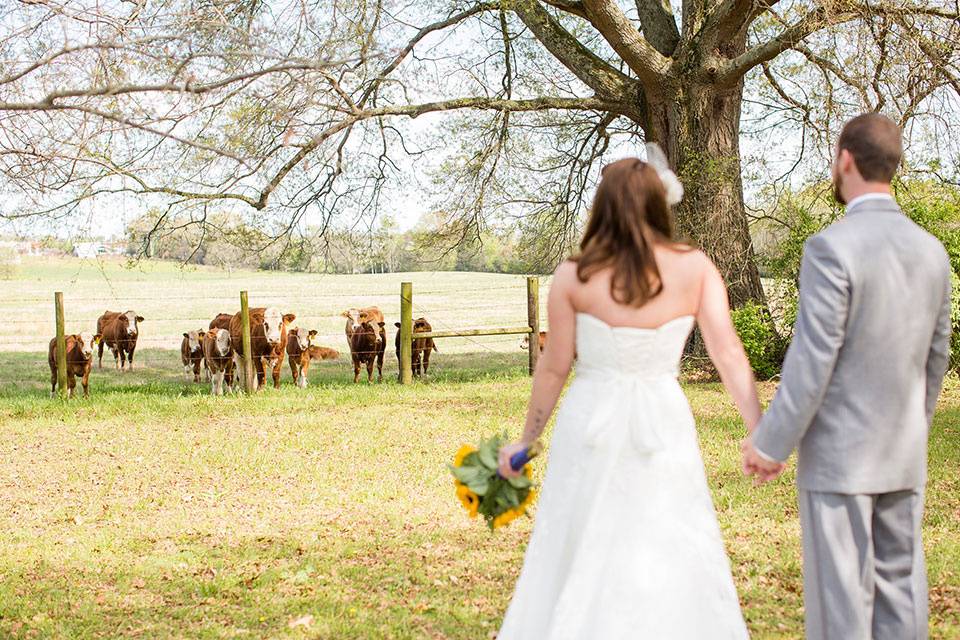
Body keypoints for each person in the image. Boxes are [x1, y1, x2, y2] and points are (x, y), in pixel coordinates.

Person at [496, 154, 759, 638]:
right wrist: (759, 431)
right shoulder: (696, 268)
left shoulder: (574, 274)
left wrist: (526, 440)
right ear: (661, 205)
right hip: (663, 420)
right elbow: (728, 353)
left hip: (590, 418)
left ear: (603, 207)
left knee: (579, 537)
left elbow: (554, 367)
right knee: (670, 532)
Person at [742, 113, 951, 640]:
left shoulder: (831, 247)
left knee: (841, 609)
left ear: (845, 161)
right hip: (903, 453)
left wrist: (770, 443)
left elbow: (813, 360)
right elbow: (936, 356)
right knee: (902, 595)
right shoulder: (932, 251)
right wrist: (913, 429)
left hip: (840, 460)